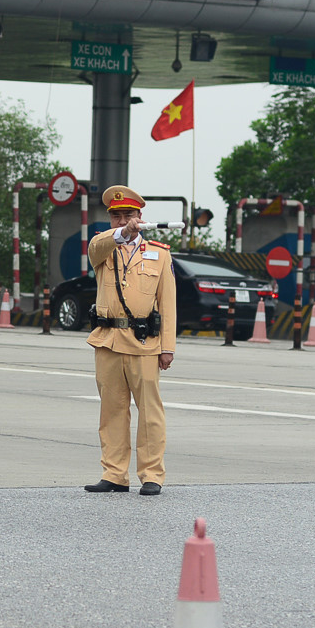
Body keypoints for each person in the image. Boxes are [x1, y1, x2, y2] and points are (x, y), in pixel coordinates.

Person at [83, 185, 177, 496]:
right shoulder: (104, 247)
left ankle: (152, 474)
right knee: (111, 411)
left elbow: (168, 304)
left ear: (140, 216)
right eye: (117, 216)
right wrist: (120, 234)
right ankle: (114, 474)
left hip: (144, 342)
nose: (123, 220)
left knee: (150, 412)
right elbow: (96, 247)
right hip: (109, 340)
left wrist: (167, 348)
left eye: (128, 215)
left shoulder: (159, 254)